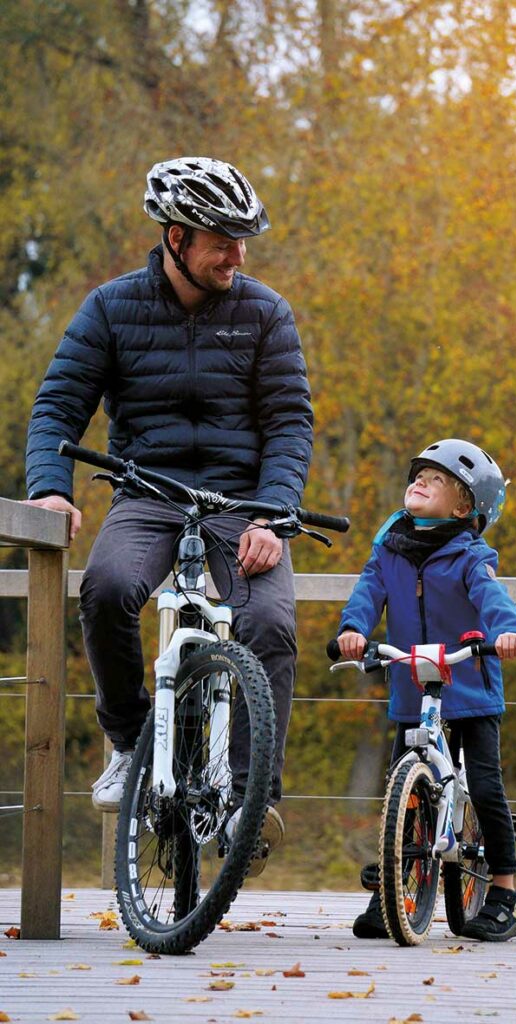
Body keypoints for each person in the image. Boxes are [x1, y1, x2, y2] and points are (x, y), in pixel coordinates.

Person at [24, 157, 314, 873]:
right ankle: (128, 742)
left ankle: (251, 806)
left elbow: (288, 424)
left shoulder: (264, 313)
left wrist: (272, 518)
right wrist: (51, 488)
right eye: (223, 240)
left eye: (244, 241)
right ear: (177, 237)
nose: (237, 256)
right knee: (108, 589)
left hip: (242, 504)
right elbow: (59, 404)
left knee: (270, 624)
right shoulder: (111, 307)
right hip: (146, 495)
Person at [336, 438, 516, 940]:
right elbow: (367, 591)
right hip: (412, 689)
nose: (419, 481)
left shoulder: (470, 556)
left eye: (436, 478)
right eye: (417, 474)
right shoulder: (390, 549)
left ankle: (505, 895)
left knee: (485, 787)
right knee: (403, 793)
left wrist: (511, 633)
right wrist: (353, 631)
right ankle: (393, 896)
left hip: (470, 689)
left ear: (464, 505)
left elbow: (492, 596)